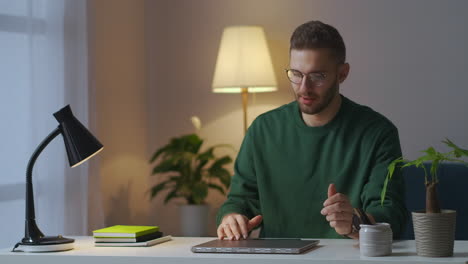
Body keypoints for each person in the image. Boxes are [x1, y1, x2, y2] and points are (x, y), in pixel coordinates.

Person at [216, 20, 408, 240]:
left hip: (349, 258)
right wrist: (231, 218)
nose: (304, 88)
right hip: (277, 257)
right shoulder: (263, 129)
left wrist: (355, 222)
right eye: (296, 74)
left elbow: (391, 214)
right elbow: (239, 199)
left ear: (342, 73)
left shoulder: (378, 133)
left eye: (317, 76)